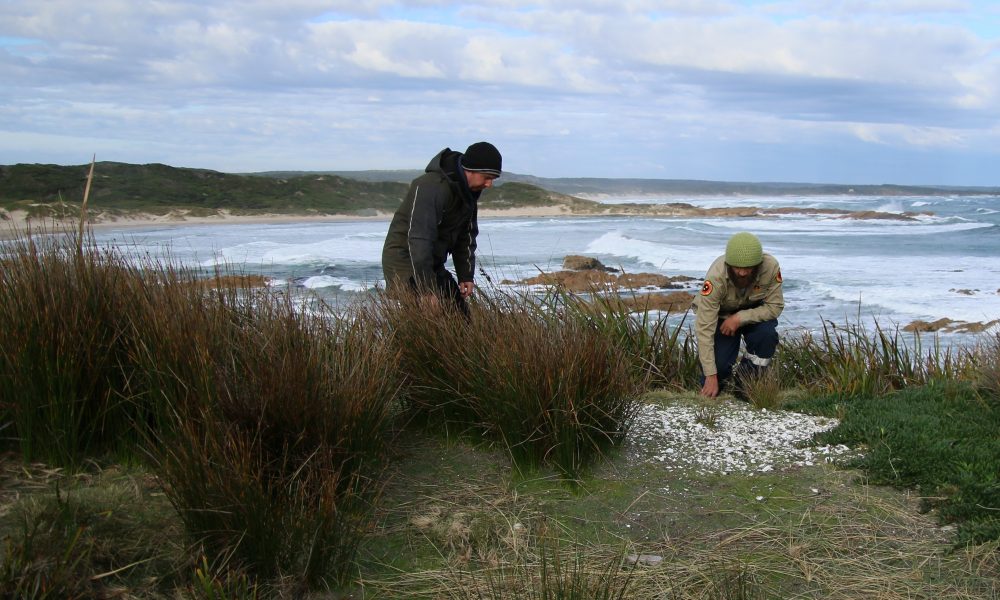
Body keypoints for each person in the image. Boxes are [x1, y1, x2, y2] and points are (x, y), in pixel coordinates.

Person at [381, 141, 502, 316]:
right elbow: (419, 240)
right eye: (487, 177)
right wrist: (427, 291)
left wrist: (465, 275)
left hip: (432, 261)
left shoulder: (468, 193)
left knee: (461, 318)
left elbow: (467, 236)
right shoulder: (430, 187)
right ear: (470, 170)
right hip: (406, 260)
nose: (489, 184)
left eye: (493, 179)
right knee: (428, 319)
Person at [693, 232, 784, 398]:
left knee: (766, 335)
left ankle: (744, 385)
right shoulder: (716, 277)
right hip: (720, 316)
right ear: (728, 264)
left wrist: (739, 318)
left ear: (758, 264)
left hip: (753, 313)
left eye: (748, 268)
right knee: (717, 371)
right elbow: (704, 329)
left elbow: (775, 306)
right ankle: (721, 381)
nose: (742, 273)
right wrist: (711, 375)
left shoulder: (770, 267)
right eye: (737, 268)